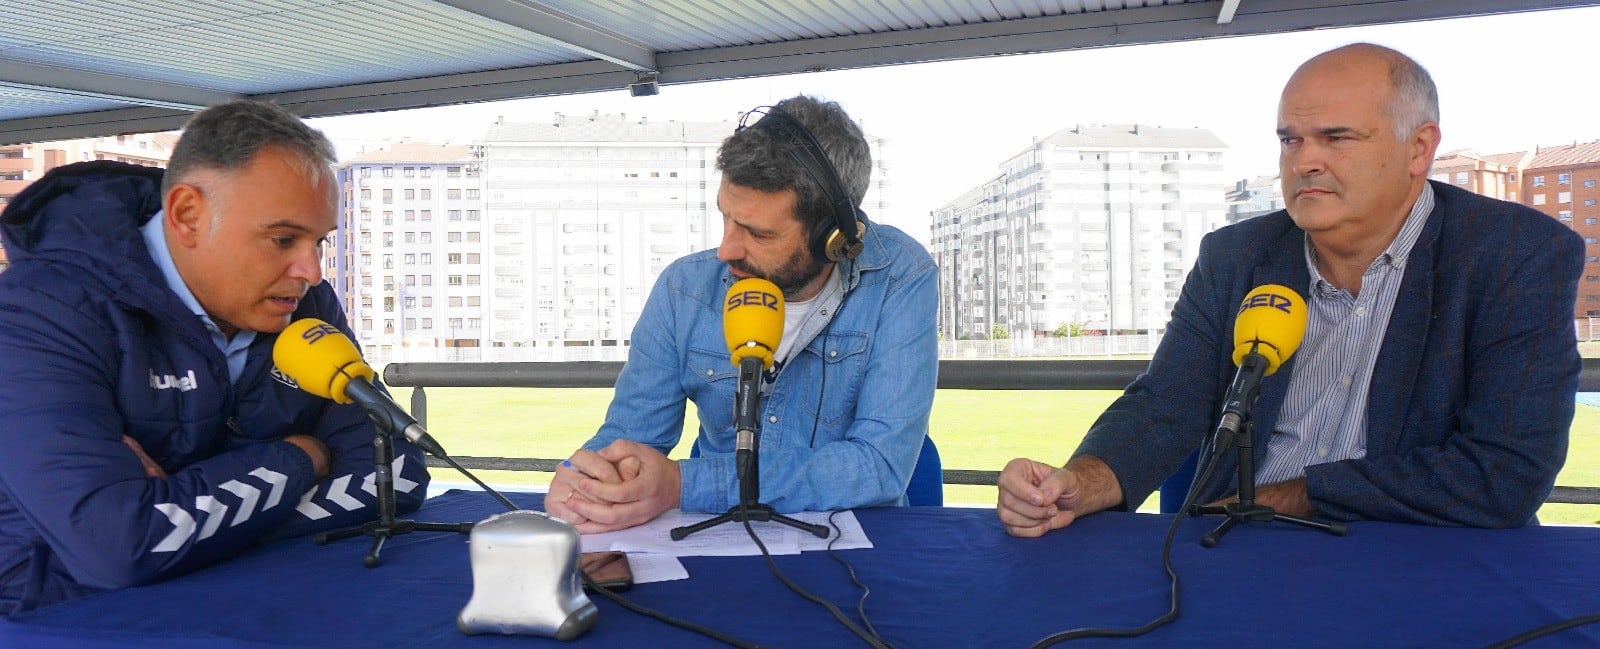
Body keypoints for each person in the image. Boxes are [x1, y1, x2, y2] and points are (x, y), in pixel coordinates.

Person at [998, 43, 1583, 536]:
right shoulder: (1235, 256)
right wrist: (1078, 483)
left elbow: (1504, 472)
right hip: (1242, 553)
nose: (1305, 162)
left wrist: (1285, 498)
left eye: (1336, 138)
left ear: (1419, 148)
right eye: (1290, 140)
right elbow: (1165, 406)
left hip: (1427, 558)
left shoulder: (1515, 255)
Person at [0, 100, 431, 614]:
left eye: (319, 241)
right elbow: (119, 546)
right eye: (283, 238)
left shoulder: (305, 304)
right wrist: (304, 457)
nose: (312, 270)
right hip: (55, 618)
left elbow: (397, 477)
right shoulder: (42, 309)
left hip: (248, 604)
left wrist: (190, 520)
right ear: (188, 215)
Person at [545, 95, 938, 533]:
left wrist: (685, 484)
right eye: (726, 218)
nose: (726, 250)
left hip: (861, 553)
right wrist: (591, 480)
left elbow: (879, 465)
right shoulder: (683, 288)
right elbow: (633, 436)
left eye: (757, 233)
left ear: (833, 238)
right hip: (717, 545)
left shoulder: (901, 275)